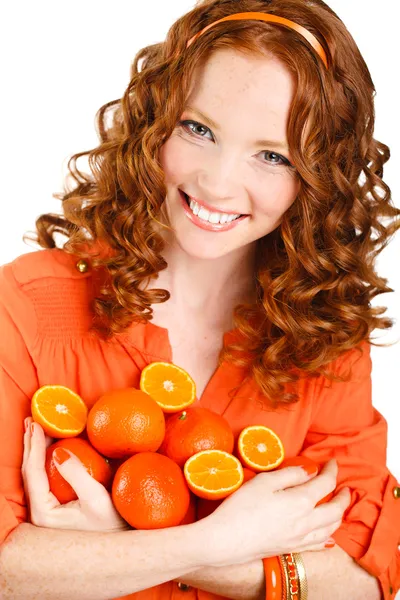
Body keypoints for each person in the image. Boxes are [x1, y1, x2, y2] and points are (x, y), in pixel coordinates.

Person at [0, 0, 399, 598]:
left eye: (272, 155)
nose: (216, 181)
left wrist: (120, 546)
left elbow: (367, 572)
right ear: (154, 121)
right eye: (199, 128)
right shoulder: (24, 306)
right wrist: (217, 542)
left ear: (318, 178)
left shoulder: (325, 342)